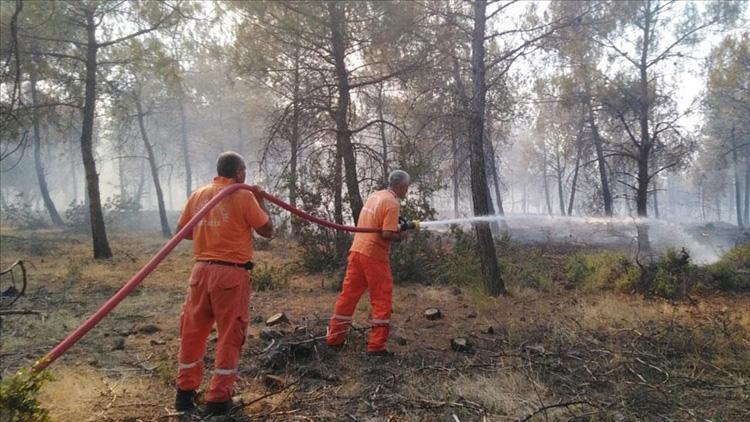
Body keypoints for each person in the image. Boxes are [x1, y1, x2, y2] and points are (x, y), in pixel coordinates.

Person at [174, 151, 273, 415]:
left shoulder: (199, 194)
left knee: (192, 333)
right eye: (245, 171)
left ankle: (184, 394)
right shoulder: (243, 196)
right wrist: (261, 201)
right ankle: (218, 399)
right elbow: (267, 231)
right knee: (230, 335)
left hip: (200, 272)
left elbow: (182, 232)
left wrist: (211, 230)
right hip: (230, 275)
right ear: (239, 173)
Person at [326, 169, 411, 356]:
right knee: (382, 298)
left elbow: (377, 222)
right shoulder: (392, 202)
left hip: (357, 250)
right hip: (374, 255)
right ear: (401, 186)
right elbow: (386, 234)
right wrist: (402, 235)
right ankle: (376, 347)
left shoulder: (376, 196)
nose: (407, 190)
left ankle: (334, 339)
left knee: (348, 296)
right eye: (407, 187)